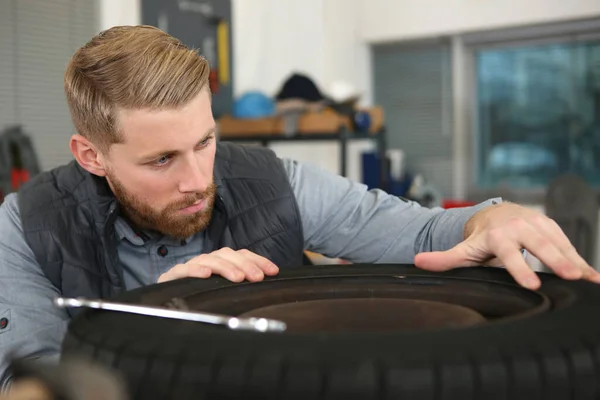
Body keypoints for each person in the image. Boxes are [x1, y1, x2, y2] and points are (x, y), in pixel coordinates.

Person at [0, 25, 598, 391]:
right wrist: (150, 317)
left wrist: (484, 219)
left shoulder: (275, 182)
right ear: (92, 155)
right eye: (161, 161)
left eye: (205, 142)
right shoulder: (24, 226)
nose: (196, 179)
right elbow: (30, 389)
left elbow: (415, 231)